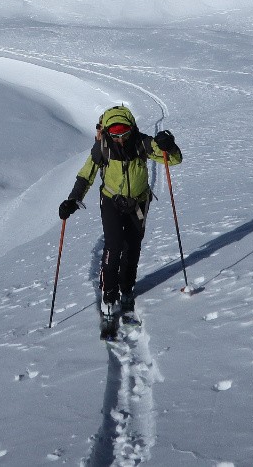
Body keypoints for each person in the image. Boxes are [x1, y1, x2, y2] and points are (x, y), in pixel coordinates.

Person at [58, 104, 182, 337]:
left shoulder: (142, 143)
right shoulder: (102, 148)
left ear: (132, 129)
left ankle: (127, 290)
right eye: (115, 134)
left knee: (133, 247)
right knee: (114, 248)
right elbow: (87, 174)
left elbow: (173, 159)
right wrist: (73, 200)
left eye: (124, 133)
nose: (121, 139)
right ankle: (108, 297)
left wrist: (169, 145)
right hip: (111, 202)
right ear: (106, 133)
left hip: (139, 202)